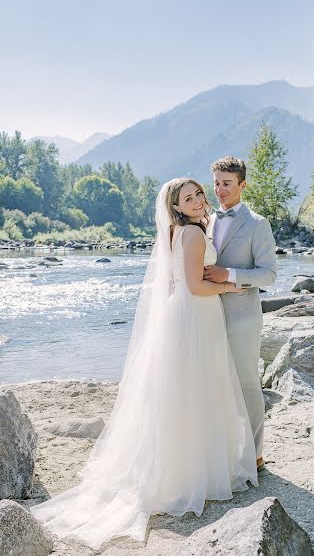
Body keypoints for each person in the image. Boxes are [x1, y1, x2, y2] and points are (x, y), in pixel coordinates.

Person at [30, 178, 258, 550]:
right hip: (196, 317)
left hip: (183, 317)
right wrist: (232, 288)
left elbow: (177, 284)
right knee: (196, 390)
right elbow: (195, 286)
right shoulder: (193, 235)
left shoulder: (176, 232)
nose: (200, 200)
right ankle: (191, 474)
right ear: (177, 206)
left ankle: (183, 468)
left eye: (200, 193)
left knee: (180, 393)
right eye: (190, 197)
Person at [204, 156, 277, 474]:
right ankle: (224, 452)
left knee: (247, 385)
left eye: (227, 183)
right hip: (206, 314)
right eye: (217, 183)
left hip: (243, 318)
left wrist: (229, 275)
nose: (220, 190)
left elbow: (269, 275)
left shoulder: (258, 224)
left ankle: (256, 455)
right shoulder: (205, 220)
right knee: (214, 385)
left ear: (242, 185)